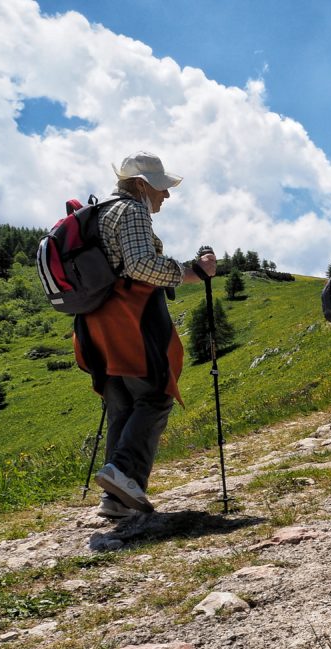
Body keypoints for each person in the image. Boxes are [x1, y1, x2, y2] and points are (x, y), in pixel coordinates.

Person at [73, 150, 218, 520]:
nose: (165, 195)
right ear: (140, 184)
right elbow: (140, 265)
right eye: (160, 187)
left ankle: (118, 499)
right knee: (154, 393)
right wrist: (193, 272)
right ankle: (123, 475)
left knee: (122, 402)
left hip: (95, 321)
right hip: (129, 318)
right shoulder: (131, 210)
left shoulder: (102, 212)